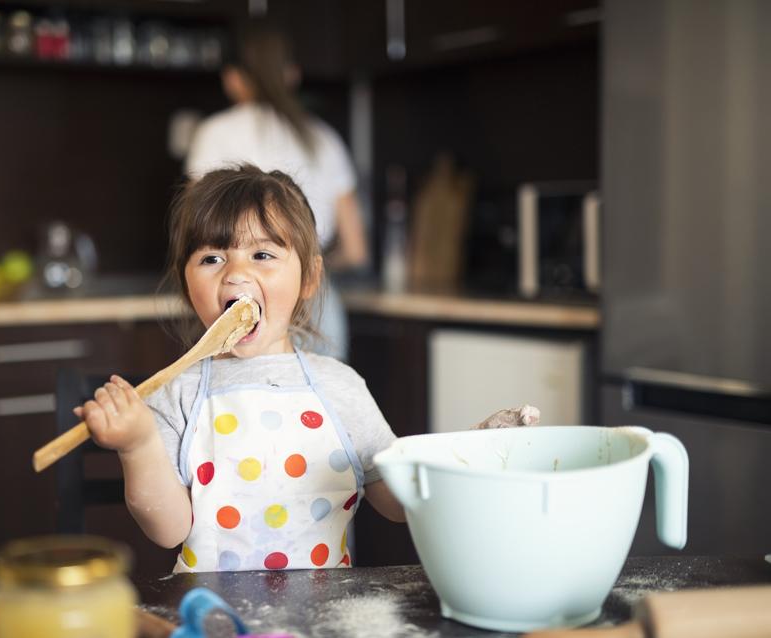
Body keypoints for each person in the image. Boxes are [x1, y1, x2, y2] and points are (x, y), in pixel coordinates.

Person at [77, 166, 538, 573]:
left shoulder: (340, 387)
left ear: (309, 278)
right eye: (212, 258)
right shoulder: (175, 394)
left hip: (323, 616)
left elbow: (398, 503)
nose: (235, 274)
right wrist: (136, 446)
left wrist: (470, 452)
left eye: (262, 255)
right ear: (186, 283)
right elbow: (168, 527)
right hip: (213, 615)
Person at [184, 20, 367, 360]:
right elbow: (355, 250)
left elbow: (195, 230)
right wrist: (296, 266)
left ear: (233, 79)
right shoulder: (324, 139)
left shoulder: (214, 133)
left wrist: (219, 261)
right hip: (321, 310)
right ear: (293, 74)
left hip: (239, 302)